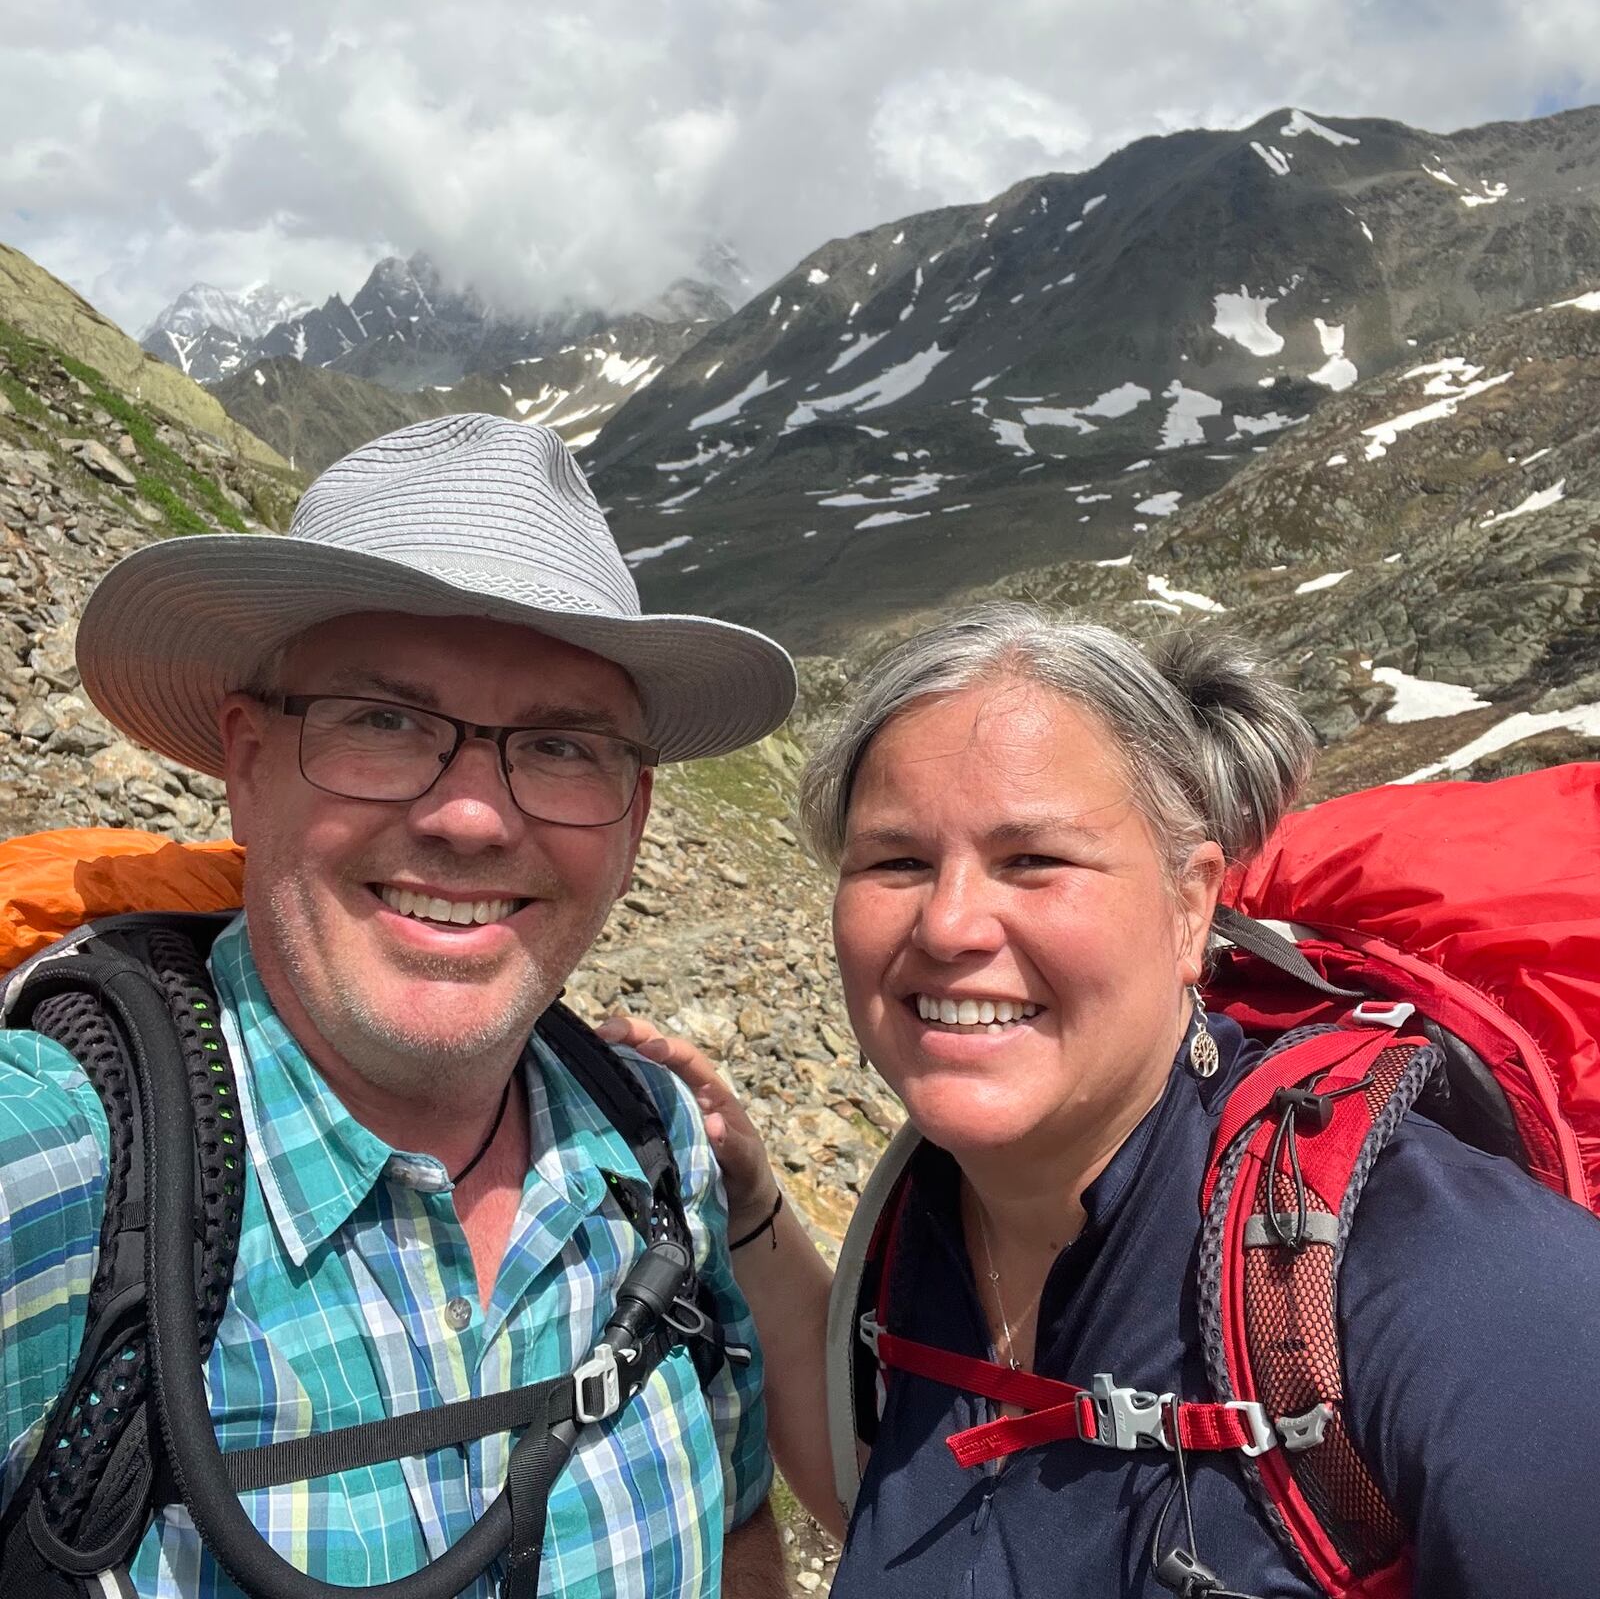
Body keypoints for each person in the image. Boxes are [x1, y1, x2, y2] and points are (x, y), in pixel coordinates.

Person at [606, 602, 1600, 1598]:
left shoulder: (1449, 1281)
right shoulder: (922, 1220)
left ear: (1189, 904)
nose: (948, 922)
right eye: (897, 860)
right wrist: (748, 1212)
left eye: (1032, 860)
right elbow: (900, 1507)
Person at [0, 415, 796, 1597]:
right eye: (383, 721)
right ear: (248, 763)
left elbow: (735, 1531)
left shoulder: (657, 1142)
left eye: (561, 744)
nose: (471, 816)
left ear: (631, 819)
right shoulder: (58, 1172)